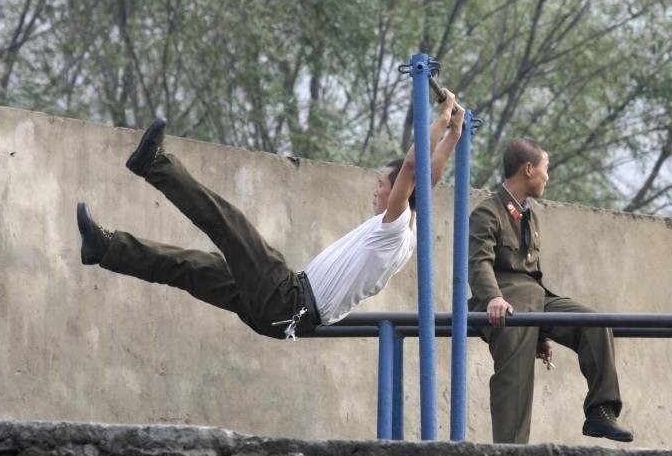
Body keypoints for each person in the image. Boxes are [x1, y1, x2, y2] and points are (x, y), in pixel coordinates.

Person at [77, 90, 464, 339]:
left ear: (400, 191)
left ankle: (154, 163)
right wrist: (455, 135)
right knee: (190, 268)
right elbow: (427, 176)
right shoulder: (406, 228)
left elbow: (414, 171)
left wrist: (443, 117)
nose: (377, 190)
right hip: (281, 311)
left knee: (228, 223)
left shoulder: (393, 229)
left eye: (383, 183)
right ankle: (106, 248)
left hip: (288, 299)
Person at [468, 137, 633, 443]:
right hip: (505, 302)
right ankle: (509, 453)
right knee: (515, 375)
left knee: (594, 323)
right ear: (528, 169)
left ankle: (601, 410)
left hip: (536, 301)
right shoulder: (488, 213)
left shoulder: (530, 215)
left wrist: (541, 333)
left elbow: (531, 276)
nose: (548, 176)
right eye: (546, 168)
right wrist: (492, 297)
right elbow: (478, 263)